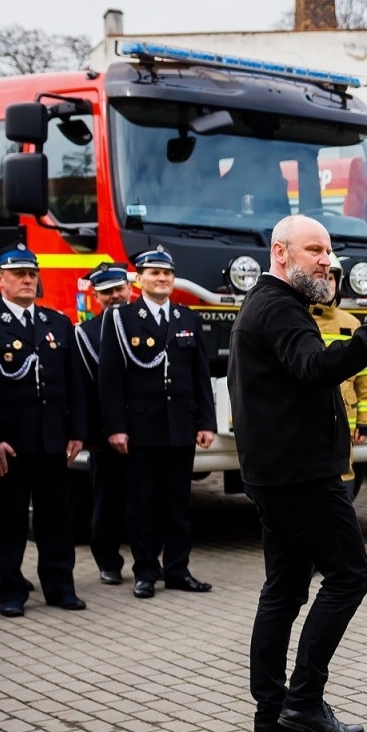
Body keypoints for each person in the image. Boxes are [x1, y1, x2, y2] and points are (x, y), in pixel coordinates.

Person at [226, 214, 367, 732]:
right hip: (300, 476)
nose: (327, 260)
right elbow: (318, 368)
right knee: (349, 576)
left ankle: (271, 713)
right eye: (314, 249)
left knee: (286, 589)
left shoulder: (273, 305)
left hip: (277, 473)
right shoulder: (278, 307)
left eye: (328, 250)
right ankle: (303, 701)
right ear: (280, 252)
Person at [0, 247, 85, 617]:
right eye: (19, 275)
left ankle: (60, 586)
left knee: (56, 516)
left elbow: (73, 383)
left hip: (53, 439)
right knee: (9, 519)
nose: (28, 280)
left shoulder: (57, 322)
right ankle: (9, 589)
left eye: (32, 274)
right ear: (1, 280)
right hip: (10, 441)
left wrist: (76, 431)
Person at [99, 248, 217, 597]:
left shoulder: (187, 318)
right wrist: (115, 427)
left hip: (179, 426)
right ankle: (146, 572)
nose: (162, 279)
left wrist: (206, 422)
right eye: (154, 273)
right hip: (141, 428)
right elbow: (111, 378)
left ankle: (178, 569)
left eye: (167, 274)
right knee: (143, 503)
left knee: (178, 503)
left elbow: (201, 376)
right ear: (139, 280)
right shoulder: (122, 319)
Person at [74, 262, 134, 584]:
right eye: (107, 292)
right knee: (107, 500)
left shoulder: (142, 324)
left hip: (145, 430)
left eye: (119, 289)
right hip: (106, 432)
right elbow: (82, 389)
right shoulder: (84, 334)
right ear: (96, 296)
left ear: (130, 289)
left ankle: (148, 561)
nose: (115, 296)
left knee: (147, 500)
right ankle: (108, 561)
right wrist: (90, 434)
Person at [314, 255, 367, 496]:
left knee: (344, 479)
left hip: (345, 421)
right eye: (323, 278)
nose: (328, 284)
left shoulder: (351, 323)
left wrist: (366, 418)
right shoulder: (298, 319)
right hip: (309, 422)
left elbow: (363, 376)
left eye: (332, 279)